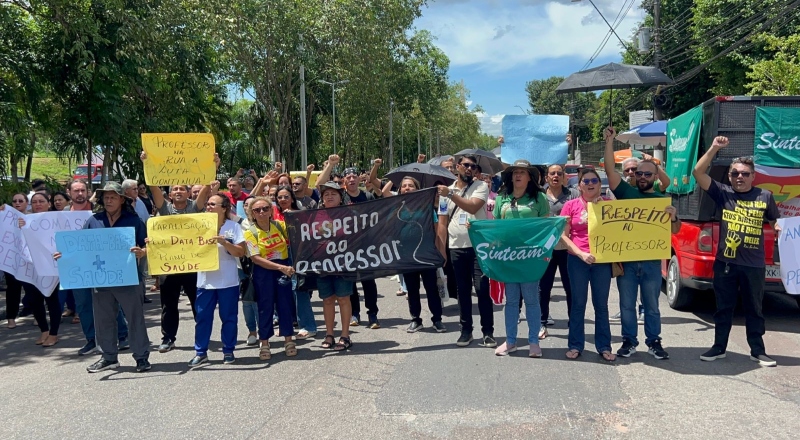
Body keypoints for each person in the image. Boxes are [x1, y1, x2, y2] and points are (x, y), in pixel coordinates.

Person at [692, 136, 781, 367]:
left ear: (753, 176)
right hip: (726, 263)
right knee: (724, 307)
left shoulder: (765, 196)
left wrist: (778, 226)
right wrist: (713, 148)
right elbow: (698, 173)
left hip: (754, 264)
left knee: (755, 308)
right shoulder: (723, 193)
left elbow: (774, 221)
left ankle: (758, 351)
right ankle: (719, 347)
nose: (739, 177)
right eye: (734, 174)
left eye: (744, 174)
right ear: (729, 176)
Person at [55, 182, 150, 373]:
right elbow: (81, 247)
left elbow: (149, 246)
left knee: (135, 318)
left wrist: (143, 252)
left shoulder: (134, 221)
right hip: (101, 279)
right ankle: (108, 357)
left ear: (122, 199)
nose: (108, 200)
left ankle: (141, 358)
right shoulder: (93, 221)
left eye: (113, 196)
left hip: (128, 279)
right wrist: (64, 255)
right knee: (103, 320)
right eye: (106, 197)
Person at [604, 127, 680, 360]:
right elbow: (609, 170)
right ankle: (629, 341)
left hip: (650, 263)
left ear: (655, 177)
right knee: (627, 306)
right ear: (634, 176)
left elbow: (675, 230)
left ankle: (654, 341)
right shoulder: (626, 192)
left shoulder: (661, 199)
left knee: (653, 306)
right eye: (640, 174)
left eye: (648, 174)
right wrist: (609, 141)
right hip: (627, 261)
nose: (643, 177)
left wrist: (674, 216)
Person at [491, 160, 550, 357]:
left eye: (522, 172)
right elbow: (497, 228)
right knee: (511, 301)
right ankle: (510, 341)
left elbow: (546, 227)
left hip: (530, 256)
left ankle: (534, 342)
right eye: (515, 172)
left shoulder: (539, 197)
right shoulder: (502, 198)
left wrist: (544, 253)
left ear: (529, 177)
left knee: (532, 300)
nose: (518, 175)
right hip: (509, 256)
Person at [436, 155, 494, 348]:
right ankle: (466, 330)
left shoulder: (480, 187)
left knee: (482, 289)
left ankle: (488, 332)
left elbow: (473, 206)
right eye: (466, 165)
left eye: (473, 166)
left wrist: (451, 195)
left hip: (479, 247)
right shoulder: (447, 191)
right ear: (457, 167)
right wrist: (441, 250)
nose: (470, 169)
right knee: (462, 291)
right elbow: (442, 223)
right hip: (456, 247)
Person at [318, 155, 381, 329]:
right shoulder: (340, 198)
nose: (352, 179)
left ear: (359, 178)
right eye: (348, 177)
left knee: (369, 281)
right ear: (344, 181)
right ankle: (355, 313)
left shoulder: (367, 196)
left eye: (354, 176)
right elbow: (319, 185)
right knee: (350, 282)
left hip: (366, 246)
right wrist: (330, 164)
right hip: (346, 248)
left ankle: (373, 314)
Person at [560, 168, 615, 362]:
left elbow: (621, 230)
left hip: (602, 261)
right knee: (578, 304)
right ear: (579, 185)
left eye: (594, 180)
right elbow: (563, 237)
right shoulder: (570, 206)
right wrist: (581, 253)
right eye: (586, 181)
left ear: (600, 185)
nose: (590, 184)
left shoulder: (609, 205)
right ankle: (575, 345)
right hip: (577, 260)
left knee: (601, 305)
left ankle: (604, 346)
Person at [189, 193, 247, 367]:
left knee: (229, 317)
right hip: (205, 281)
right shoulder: (197, 226)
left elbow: (240, 252)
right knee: (202, 318)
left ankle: (228, 350)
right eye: (207, 204)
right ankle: (201, 352)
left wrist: (225, 242)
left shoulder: (233, 227)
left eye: (213, 204)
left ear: (224, 208)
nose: (208, 206)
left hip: (227, 281)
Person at [385, 175, 447, 333]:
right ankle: (416, 319)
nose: (407, 188)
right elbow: (385, 192)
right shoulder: (396, 207)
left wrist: (440, 253)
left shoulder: (426, 208)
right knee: (412, 290)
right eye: (404, 186)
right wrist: (394, 177)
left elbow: (436, 231)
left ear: (417, 189)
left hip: (426, 254)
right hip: (406, 256)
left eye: (410, 185)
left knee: (431, 288)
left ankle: (437, 319)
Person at [243, 197, 297, 360]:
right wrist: (281, 267)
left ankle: (288, 340)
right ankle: (265, 343)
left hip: (283, 269)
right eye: (257, 210)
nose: (261, 212)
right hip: (263, 271)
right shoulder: (250, 232)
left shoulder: (279, 226)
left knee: (285, 305)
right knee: (264, 307)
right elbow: (255, 258)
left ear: (271, 210)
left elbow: (300, 231)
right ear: (252, 213)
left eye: (265, 208)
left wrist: (292, 215)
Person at [539, 164, 579, 337]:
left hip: (567, 248)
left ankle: (574, 322)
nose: (555, 176)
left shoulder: (573, 194)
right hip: (546, 248)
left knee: (570, 287)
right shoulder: (539, 197)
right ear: (547, 177)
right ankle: (542, 322)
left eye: (559, 173)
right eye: (552, 173)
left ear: (564, 177)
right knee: (544, 287)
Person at [315, 182, 354, 351]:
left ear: (340, 197)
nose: (329, 197)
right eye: (326, 194)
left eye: (333, 193)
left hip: (343, 264)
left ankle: (345, 335)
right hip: (322, 264)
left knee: (344, 298)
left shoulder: (348, 214)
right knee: (327, 299)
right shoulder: (314, 215)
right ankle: (329, 334)